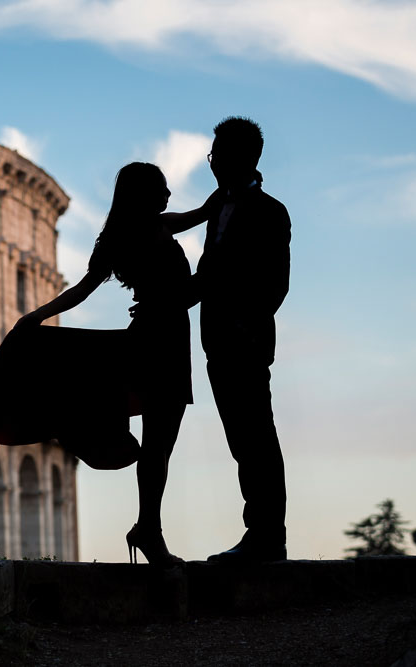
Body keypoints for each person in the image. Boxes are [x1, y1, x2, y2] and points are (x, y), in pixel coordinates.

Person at [15, 162, 208, 567]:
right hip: (158, 340)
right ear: (142, 194)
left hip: (166, 338)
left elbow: (205, 211)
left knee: (161, 444)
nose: (169, 194)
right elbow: (82, 290)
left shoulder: (157, 226)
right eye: (162, 187)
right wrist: (37, 317)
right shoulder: (132, 235)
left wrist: (240, 187)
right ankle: (148, 531)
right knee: (159, 443)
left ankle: (147, 528)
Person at [165, 117, 291, 563]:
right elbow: (210, 274)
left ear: (242, 157)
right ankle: (260, 534)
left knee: (256, 435)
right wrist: (174, 302)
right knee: (243, 438)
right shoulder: (219, 205)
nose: (213, 161)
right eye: (212, 153)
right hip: (217, 341)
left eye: (218, 153)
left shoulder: (270, 212)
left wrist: (245, 325)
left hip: (246, 341)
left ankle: (267, 537)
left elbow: (276, 282)